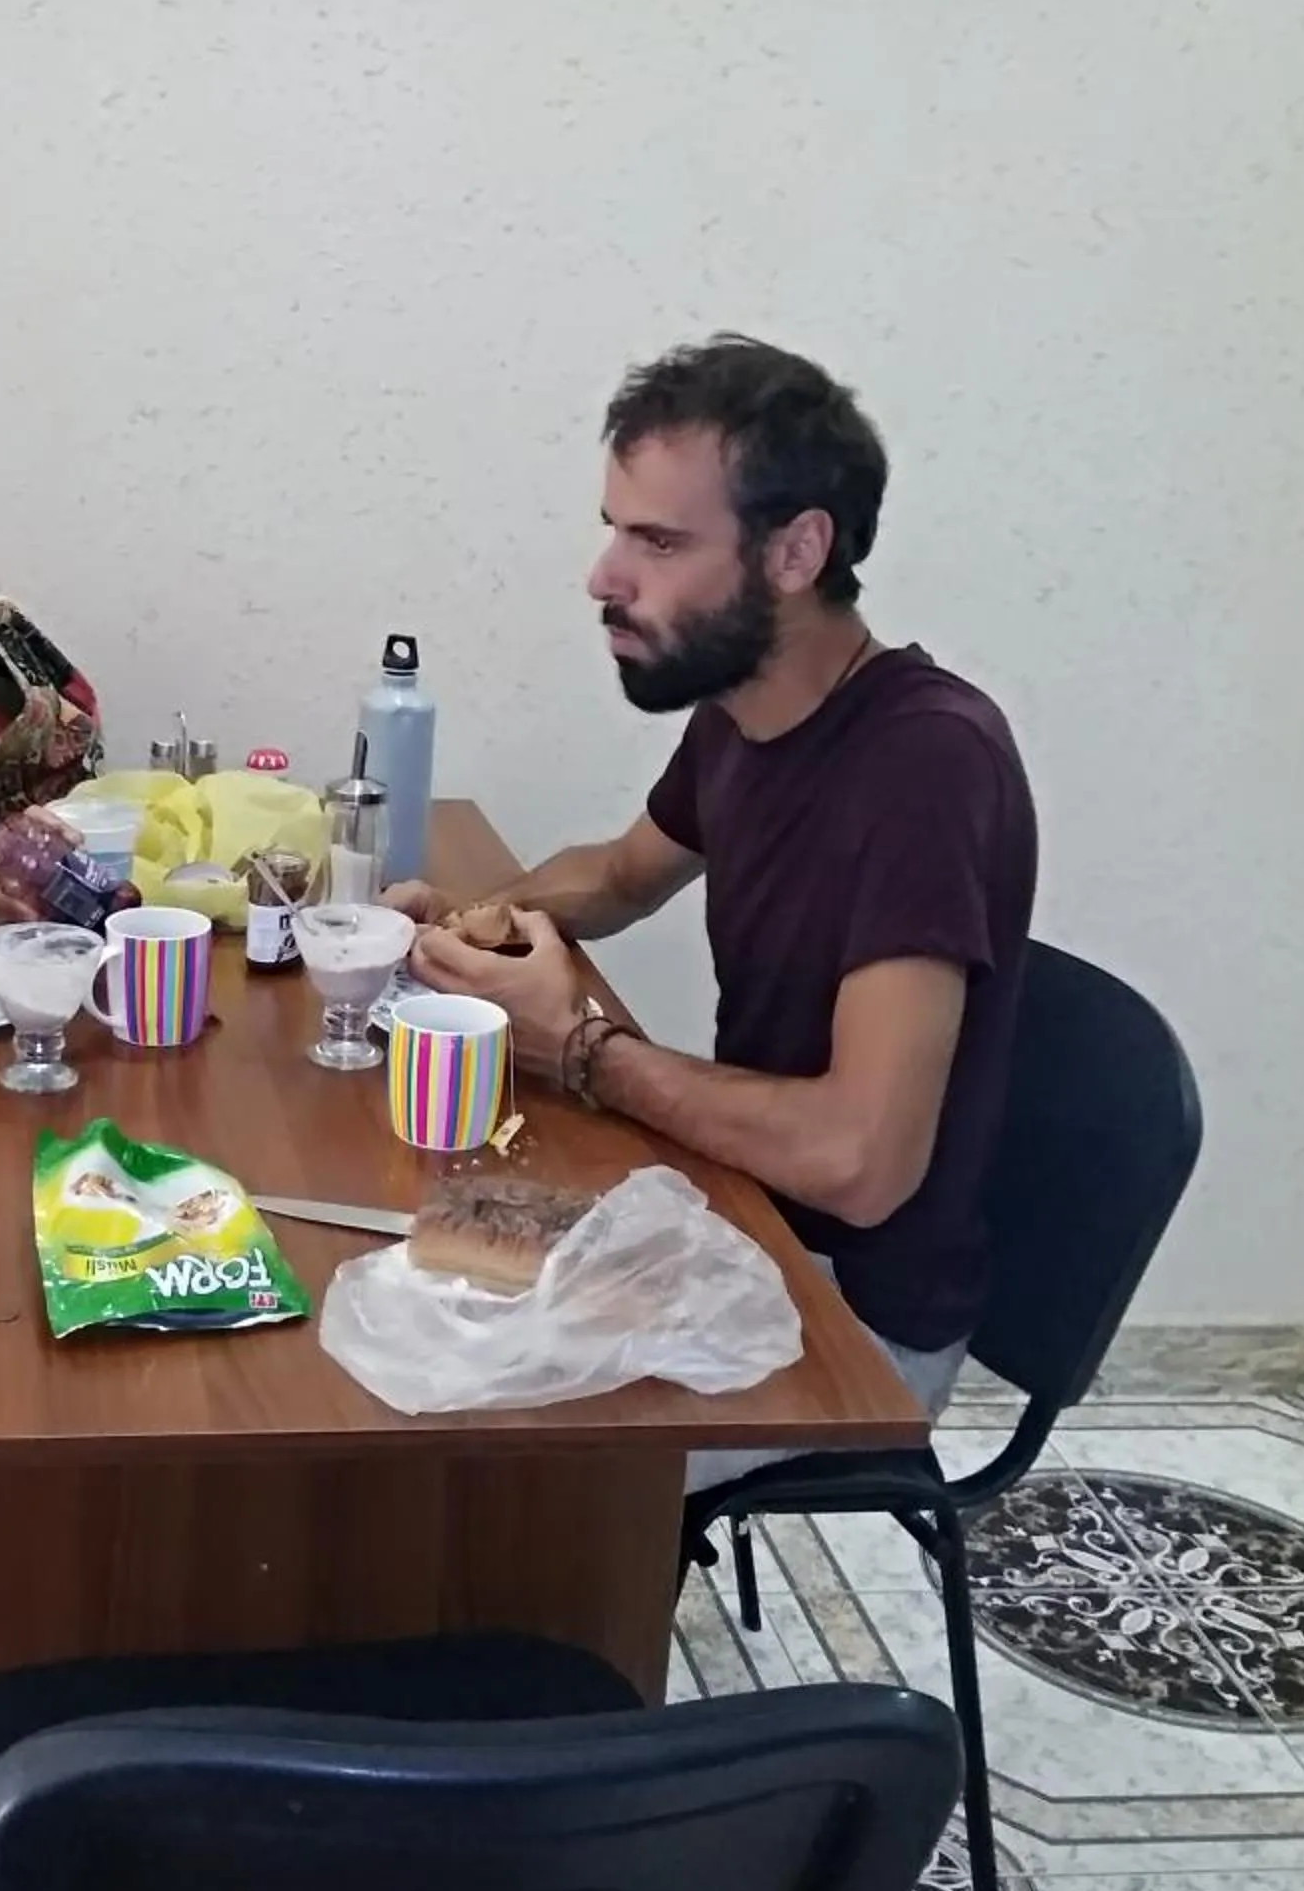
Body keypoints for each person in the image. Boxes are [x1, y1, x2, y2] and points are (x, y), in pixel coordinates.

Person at [394, 334, 1037, 1484]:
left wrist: (581, 1048)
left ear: (796, 551)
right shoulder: (743, 706)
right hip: (744, 1222)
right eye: (615, 530)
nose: (604, 577)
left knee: (460, 1465)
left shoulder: (926, 766)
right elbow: (621, 875)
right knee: (399, 1299)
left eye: (658, 542)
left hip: (854, 1319)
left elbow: (860, 1161)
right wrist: (466, 919)